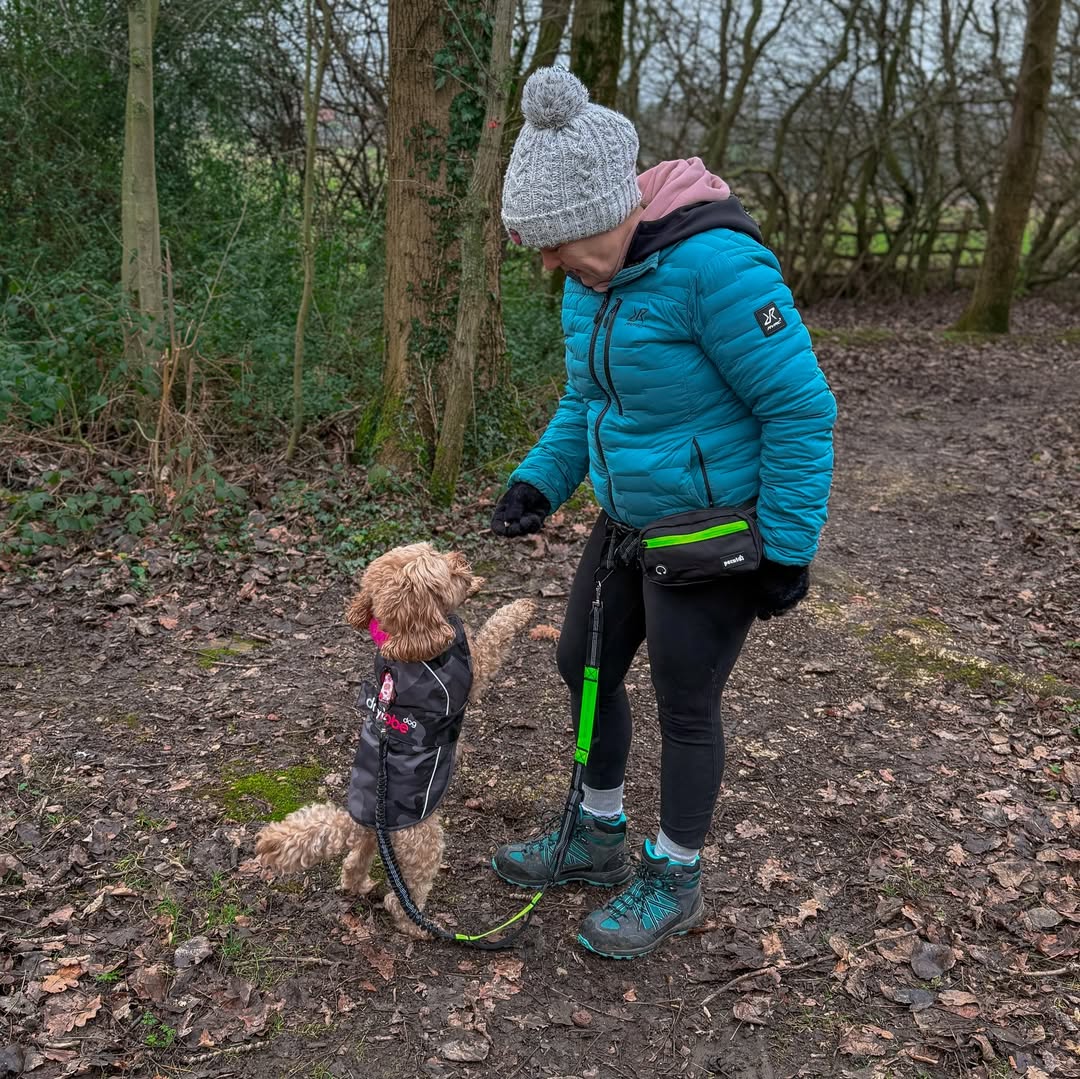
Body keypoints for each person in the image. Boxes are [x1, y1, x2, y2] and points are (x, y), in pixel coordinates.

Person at [489, 67, 836, 960]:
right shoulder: (591, 280)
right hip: (628, 516)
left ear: (614, 209)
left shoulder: (715, 268)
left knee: (686, 700)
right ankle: (597, 833)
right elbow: (588, 402)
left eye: (559, 242)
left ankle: (674, 873)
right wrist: (541, 479)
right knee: (583, 660)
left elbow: (799, 410)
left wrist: (788, 548)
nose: (548, 263)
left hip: (714, 531)